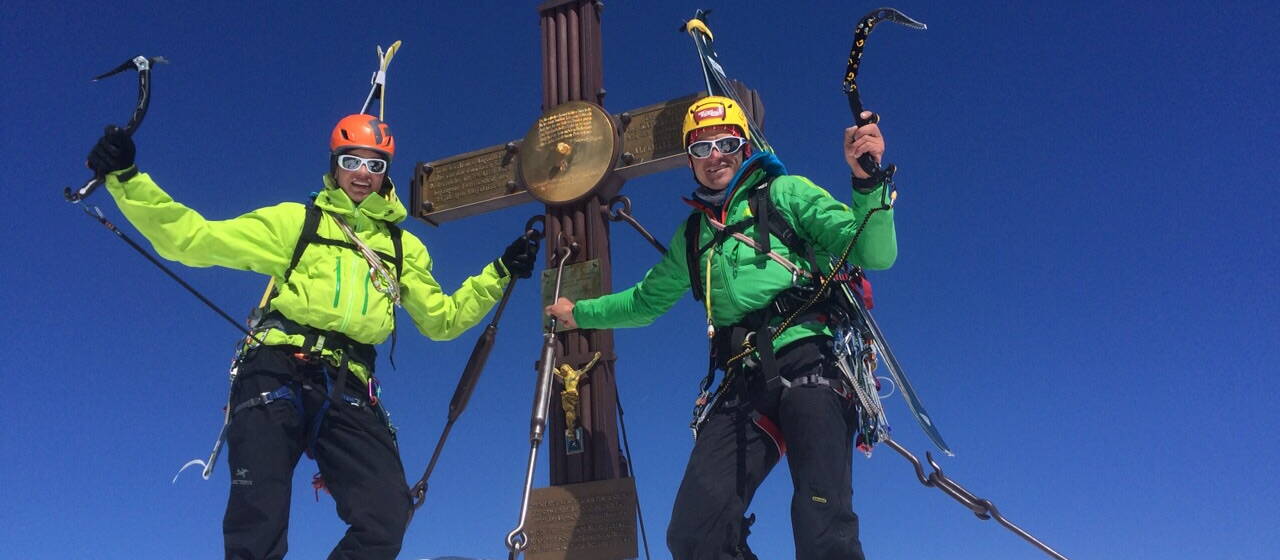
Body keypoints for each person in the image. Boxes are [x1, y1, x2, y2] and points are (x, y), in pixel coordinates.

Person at [86, 114, 539, 559]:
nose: (363, 174)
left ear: (387, 173)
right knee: (257, 520)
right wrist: (127, 179)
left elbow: (442, 321)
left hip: (349, 385)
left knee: (385, 517)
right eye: (352, 160)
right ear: (335, 162)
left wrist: (498, 274)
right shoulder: (296, 222)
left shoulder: (403, 249)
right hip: (275, 369)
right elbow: (193, 239)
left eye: (376, 165)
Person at [545, 95, 897, 559]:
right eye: (701, 148)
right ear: (689, 158)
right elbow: (646, 301)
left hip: (811, 361)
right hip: (743, 380)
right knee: (694, 534)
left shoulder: (786, 194)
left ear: (745, 146)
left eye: (726, 142)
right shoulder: (693, 236)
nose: (715, 157)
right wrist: (580, 314)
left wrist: (867, 180)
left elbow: (872, 254)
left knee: (822, 522)